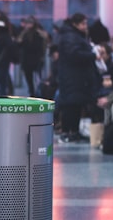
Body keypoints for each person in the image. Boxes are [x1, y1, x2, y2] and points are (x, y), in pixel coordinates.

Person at [56, 13, 102, 143]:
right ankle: (68, 131)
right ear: (75, 24)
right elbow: (74, 54)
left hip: (75, 76)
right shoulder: (71, 37)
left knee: (75, 105)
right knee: (71, 105)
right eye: (83, 24)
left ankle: (73, 131)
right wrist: (92, 55)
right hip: (73, 77)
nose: (85, 26)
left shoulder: (73, 36)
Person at [17, 16, 48, 97]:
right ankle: (33, 92)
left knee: (35, 77)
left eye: (30, 23)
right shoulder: (24, 33)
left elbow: (39, 46)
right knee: (30, 77)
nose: (28, 25)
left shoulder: (37, 33)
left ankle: (36, 91)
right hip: (29, 59)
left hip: (34, 58)